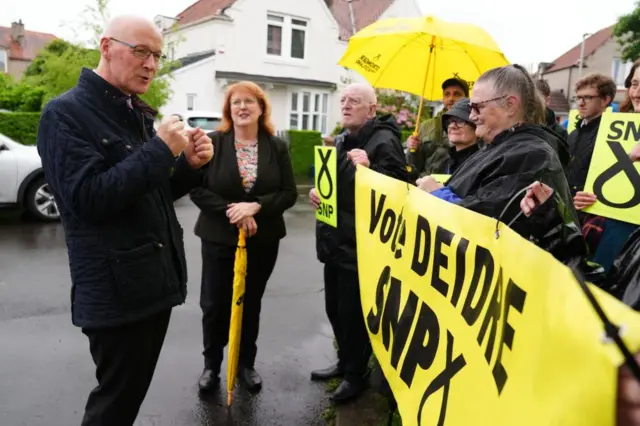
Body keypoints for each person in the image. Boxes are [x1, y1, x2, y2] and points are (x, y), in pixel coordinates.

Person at [35, 15, 214, 426]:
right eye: (140, 52)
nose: (151, 64)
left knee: (126, 399)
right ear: (105, 47)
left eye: (156, 55)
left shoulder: (129, 110)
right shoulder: (65, 114)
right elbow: (88, 200)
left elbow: (149, 192)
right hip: (117, 294)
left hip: (150, 285)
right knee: (114, 405)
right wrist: (161, 151)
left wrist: (186, 164)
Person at [416, 64, 585, 265]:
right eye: (470, 107)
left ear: (511, 105)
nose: (471, 116)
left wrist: (436, 193)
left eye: (477, 107)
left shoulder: (529, 155)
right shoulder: (503, 147)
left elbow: (484, 221)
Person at [189, 81, 297, 393]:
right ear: (228, 109)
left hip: (263, 240)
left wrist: (256, 207)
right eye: (236, 102)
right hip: (218, 238)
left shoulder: (276, 147)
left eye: (249, 101)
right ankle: (211, 366)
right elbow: (196, 188)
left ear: (261, 108)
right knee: (215, 303)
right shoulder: (213, 142)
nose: (242, 107)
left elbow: (289, 194)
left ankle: (245, 364)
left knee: (251, 303)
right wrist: (232, 211)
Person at [309, 83, 408, 403]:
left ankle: (356, 375)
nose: (346, 104)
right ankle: (343, 363)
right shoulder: (341, 139)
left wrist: (371, 169)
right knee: (334, 309)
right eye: (343, 100)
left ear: (372, 109)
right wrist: (319, 192)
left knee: (353, 315)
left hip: (361, 245)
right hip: (335, 243)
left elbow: (399, 190)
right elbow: (336, 185)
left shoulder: (384, 140)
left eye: (354, 101)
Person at [569, 72, 637, 272]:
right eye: (634, 84)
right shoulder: (573, 134)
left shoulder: (608, 133)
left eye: (587, 98)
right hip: (586, 216)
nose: (581, 103)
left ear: (606, 100)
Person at [405, 78, 469, 181]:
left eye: (457, 94)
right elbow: (414, 166)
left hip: (453, 188)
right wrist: (413, 151)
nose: (451, 98)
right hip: (423, 186)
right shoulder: (426, 126)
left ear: (466, 98)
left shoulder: (472, 126)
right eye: (447, 94)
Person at [415, 97, 479, 184]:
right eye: (450, 121)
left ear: (477, 127)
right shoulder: (444, 160)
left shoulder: (482, 164)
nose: (452, 126)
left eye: (460, 121)